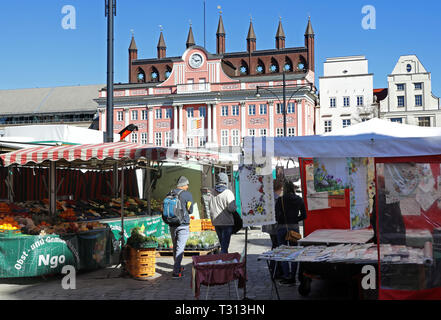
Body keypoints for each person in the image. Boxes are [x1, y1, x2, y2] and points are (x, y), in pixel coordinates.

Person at [275, 179, 307, 285]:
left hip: (282, 228)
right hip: (294, 228)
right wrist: (294, 219)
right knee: (294, 252)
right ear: (293, 188)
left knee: (283, 252)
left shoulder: (281, 200)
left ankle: (286, 275)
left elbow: (277, 216)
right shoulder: (299, 199)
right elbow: (304, 216)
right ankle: (293, 277)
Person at [169, 176, 194, 279]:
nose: (187, 187)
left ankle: (177, 266)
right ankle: (176, 271)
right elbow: (191, 210)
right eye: (187, 185)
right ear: (183, 185)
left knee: (175, 246)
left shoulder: (170, 193)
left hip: (172, 223)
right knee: (180, 248)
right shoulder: (187, 194)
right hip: (183, 224)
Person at [209, 172, 237, 254]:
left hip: (216, 222)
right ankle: (223, 261)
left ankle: (223, 259)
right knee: (225, 245)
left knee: (222, 243)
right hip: (227, 222)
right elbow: (231, 209)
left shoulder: (212, 192)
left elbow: (210, 206)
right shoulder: (228, 193)